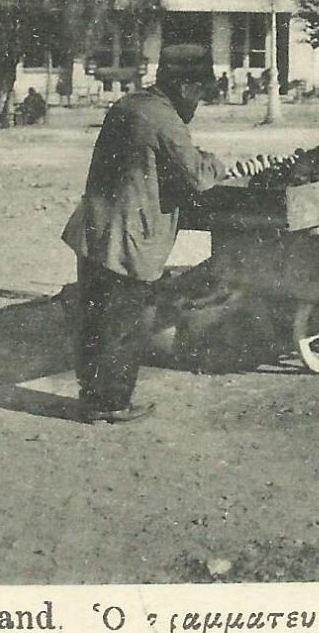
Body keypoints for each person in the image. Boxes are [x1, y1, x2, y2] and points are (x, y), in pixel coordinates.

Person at [60, 44, 226, 424]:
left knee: (95, 320)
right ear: (186, 88)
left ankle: (92, 400)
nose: (197, 106)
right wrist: (215, 162)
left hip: (94, 229)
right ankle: (114, 403)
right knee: (125, 324)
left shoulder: (129, 105)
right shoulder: (165, 119)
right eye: (199, 95)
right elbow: (199, 176)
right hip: (127, 237)